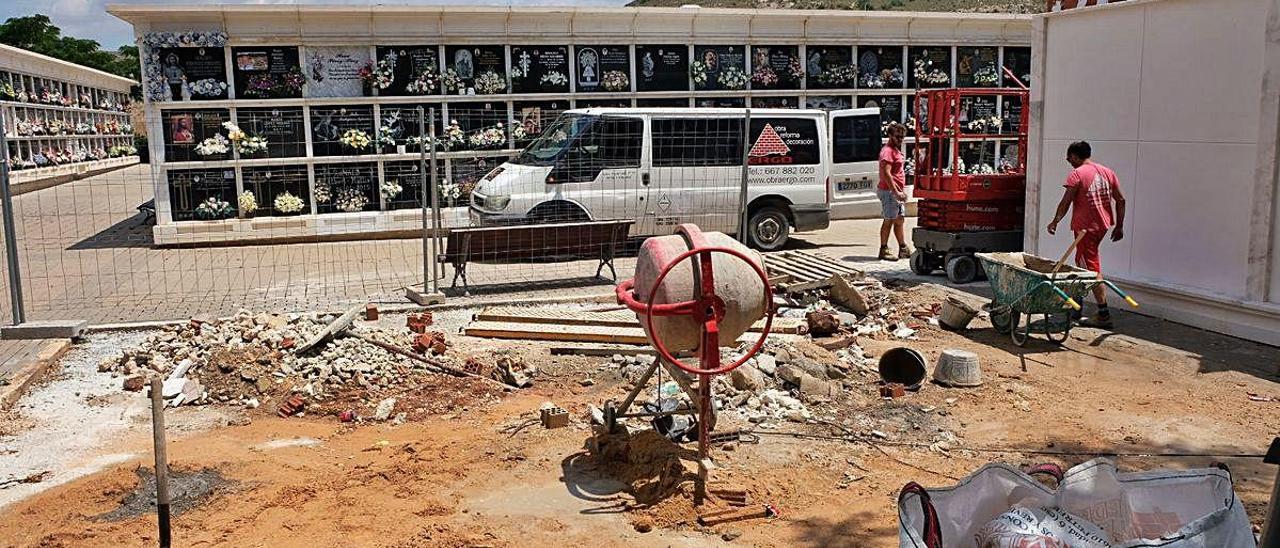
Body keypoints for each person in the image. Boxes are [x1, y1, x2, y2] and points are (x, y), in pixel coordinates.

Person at [1047, 141, 1127, 328]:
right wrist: (1119, 226)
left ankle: (1103, 314)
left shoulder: (1077, 174)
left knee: (1091, 270)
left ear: (1075, 156)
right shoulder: (1107, 172)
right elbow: (1121, 200)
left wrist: (1055, 221)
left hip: (1085, 229)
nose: (1068, 160)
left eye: (1069, 157)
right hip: (1102, 226)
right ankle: (1076, 308)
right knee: (1081, 265)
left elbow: (1066, 202)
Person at [877, 122, 911, 261]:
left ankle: (903, 248)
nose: (900, 139)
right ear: (890, 135)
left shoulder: (896, 150)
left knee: (899, 220)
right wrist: (896, 192)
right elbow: (887, 174)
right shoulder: (888, 151)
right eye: (897, 136)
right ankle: (883, 249)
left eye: (902, 137)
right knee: (889, 220)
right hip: (889, 192)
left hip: (896, 192)